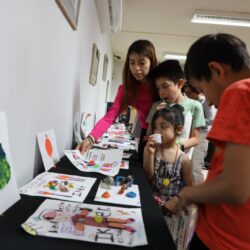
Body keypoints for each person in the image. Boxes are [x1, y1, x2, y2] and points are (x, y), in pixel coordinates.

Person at [168, 33, 250, 250]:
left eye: (203, 90)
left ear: (217, 70)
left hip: (221, 238)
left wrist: (187, 193)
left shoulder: (241, 92)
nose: (211, 102)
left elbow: (235, 188)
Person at [76, 40, 158, 161]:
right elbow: (110, 116)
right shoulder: (127, 89)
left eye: (142, 63)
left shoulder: (160, 85)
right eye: (132, 63)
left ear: (151, 62)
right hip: (145, 134)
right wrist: (90, 138)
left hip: (164, 134)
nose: (136, 68)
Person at [146, 60, 205, 158]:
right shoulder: (156, 105)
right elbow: (149, 134)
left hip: (181, 161)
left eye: (165, 86)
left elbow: (195, 138)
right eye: (158, 88)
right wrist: (155, 116)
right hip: (158, 159)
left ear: (180, 83)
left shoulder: (195, 106)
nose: (161, 92)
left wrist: (175, 147)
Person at [143, 105, 193, 212]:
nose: (157, 131)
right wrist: (149, 154)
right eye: (155, 127)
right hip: (149, 205)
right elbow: (148, 177)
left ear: (178, 129)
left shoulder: (184, 159)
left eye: (163, 126)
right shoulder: (152, 150)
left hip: (170, 210)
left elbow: (190, 187)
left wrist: (177, 198)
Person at [183, 82, 216, 183]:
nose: (186, 92)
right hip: (189, 132)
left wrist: (196, 122)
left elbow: (211, 119)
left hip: (201, 135)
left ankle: (197, 192)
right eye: (186, 89)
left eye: (189, 90)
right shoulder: (188, 101)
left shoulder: (205, 101)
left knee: (195, 166)